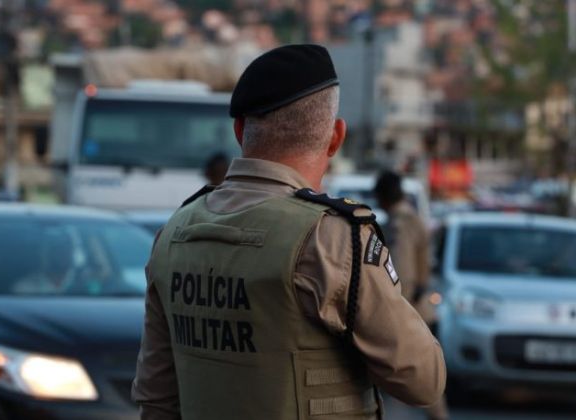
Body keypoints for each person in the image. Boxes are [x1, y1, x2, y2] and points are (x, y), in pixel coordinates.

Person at [132, 44, 446, 420]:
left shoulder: (174, 234)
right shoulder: (332, 239)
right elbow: (423, 380)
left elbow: (156, 399)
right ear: (335, 137)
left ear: (239, 130)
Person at [374, 170, 450, 420]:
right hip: (417, 310)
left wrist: (390, 312)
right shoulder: (409, 218)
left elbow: (402, 273)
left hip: (408, 313)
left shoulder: (401, 223)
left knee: (419, 383)